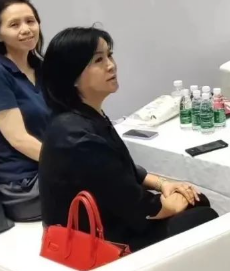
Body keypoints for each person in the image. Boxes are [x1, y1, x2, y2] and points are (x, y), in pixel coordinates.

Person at [39, 27, 218, 251]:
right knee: (203, 215)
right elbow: (136, 207)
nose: (111, 65)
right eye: (98, 60)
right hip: (96, 241)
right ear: (72, 76)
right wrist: (171, 204)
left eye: (110, 55)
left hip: (109, 219)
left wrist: (164, 184)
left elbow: (122, 172)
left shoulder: (83, 117)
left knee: (196, 201)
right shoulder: (77, 137)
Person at [0, 0, 50, 221]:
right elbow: (19, 139)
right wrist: (70, 163)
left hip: (51, 170)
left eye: (30, 21)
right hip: (23, 184)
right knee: (106, 184)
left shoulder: (42, 68)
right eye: (14, 24)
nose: (26, 29)